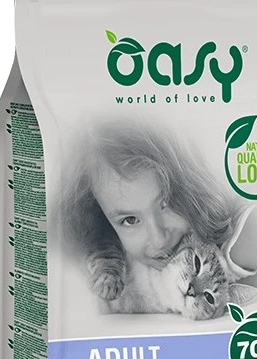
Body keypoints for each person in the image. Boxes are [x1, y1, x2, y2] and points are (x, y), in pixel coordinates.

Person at [63, 122, 238, 307]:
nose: (159, 240)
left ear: (195, 186)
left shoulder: (216, 238)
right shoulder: (84, 270)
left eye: (167, 203)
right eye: (130, 220)